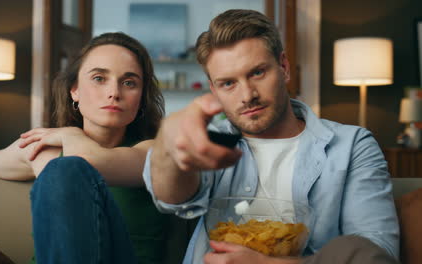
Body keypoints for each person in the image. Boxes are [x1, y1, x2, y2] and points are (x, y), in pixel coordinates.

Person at [144, 9, 400, 264]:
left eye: (257, 73)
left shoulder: (352, 145)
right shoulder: (211, 141)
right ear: (214, 89)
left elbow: (379, 253)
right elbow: (172, 198)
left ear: (284, 67)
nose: (247, 96)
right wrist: (168, 144)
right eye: (228, 83)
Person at [0, 32, 167, 264]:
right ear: (74, 90)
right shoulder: (42, 151)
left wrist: (70, 133)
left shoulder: (153, 152)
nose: (114, 92)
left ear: (141, 96)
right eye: (99, 78)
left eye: (129, 83)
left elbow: (86, 163)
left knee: (63, 170)